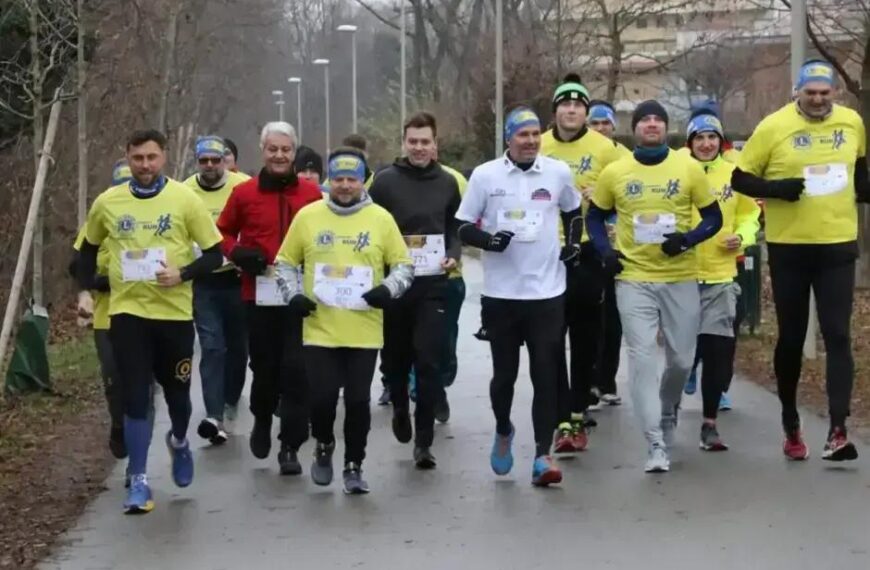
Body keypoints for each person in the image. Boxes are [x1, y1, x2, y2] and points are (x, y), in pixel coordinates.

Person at [78, 129, 224, 514]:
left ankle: (178, 441)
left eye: (152, 158)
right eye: (138, 158)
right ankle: (139, 480)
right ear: (127, 156)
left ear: (163, 157)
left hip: (173, 315)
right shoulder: (108, 202)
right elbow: (86, 252)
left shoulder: (184, 199)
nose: (144, 165)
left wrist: (183, 274)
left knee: (178, 398)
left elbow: (214, 254)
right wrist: (83, 293)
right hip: (128, 315)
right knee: (136, 398)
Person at [731, 60, 869, 461]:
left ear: (835, 94)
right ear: (798, 92)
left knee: (838, 335)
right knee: (792, 338)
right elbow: (740, 179)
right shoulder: (774, 127)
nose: (818, 100)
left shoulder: (852, 123)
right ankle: (791, 418)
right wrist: (777, 188)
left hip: (838, 245)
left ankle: (838, 430)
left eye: (825, 94)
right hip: (789, 248)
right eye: (811, 93)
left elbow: (859, 180)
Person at [587, 100, 722, 473]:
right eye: (644, 120)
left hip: (679, 276)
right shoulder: (616, 171)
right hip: (634, 278)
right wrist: (605, 251)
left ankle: (668, 408)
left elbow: (714, 217)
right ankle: (655, 443)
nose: (651, 125)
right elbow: (595, 216)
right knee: (643, 359)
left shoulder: (688, 167)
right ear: (635, 129)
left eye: (657, 120)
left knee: (680, 359)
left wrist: (687, 239)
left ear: (666, 128)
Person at [274, 148, 413, 494]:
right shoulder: (308, 217)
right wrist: (292, 296)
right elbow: (285, 263)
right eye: (338, 179)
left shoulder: (380, 219)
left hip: (363, 330)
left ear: (363, 180)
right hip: (320, 327)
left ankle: (354, 464)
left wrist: (388, 289)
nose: (345, 186)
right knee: (321, 399)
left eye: (352, 179)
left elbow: (404, 266)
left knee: (356, 401)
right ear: (329, 181)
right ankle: (324, 443)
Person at [456, 106, 582, 486]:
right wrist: (489, 241)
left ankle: (542, 455)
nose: (529, 141)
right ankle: (503, 429)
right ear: (508, 139)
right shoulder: (485, 175)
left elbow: (573, 211)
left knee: (545, 374)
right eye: (521, 135)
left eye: (534, 135)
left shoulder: (558, 172)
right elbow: (462, 227)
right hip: (502, 294)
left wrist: (574, 245)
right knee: (504, 378)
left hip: (547, 292)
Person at [217, 122, 322, 474]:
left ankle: (290, 444)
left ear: (294, 152)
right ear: (262, 151)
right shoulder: (244, 194)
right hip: (257, 294)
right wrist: (238, 253)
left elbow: (326, 233)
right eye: (273, 149)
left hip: (300, 297)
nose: (279, 155)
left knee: (298, 370)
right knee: (265, 369)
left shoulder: (310, 194)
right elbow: (220, 232)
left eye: (286, 150)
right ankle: (262, 418)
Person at [369, 112, 461, 469]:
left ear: (435, 143)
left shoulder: (447, 182)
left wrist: (453, 254)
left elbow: (455, 226)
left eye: (425, 141)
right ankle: (399, 409)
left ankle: (424, 443)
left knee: (427, 361)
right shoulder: (385, 182)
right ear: (404, 142)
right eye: (413, 141)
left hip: (433, 286)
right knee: (395, 360)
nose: (419, 148)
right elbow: (372, 226)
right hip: (395, 287)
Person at [540, 74, 622, 455]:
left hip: (587, 250)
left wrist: (605, 195)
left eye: (578, 105)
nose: (571, 110)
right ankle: (562, 412)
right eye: (564, 104)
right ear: (555, 110)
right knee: (550, 336)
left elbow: (631, 185)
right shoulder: (537, 145)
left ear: (586, 112)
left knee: (585, 335)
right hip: (545, 253)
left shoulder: (606, 148)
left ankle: (577, 404)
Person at [684, 113, 760, 450]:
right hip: (679, 276)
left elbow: (749, 213)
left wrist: (741, 237)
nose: (706, 144)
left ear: (720, 141)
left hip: (720, 274)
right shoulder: (675, 168)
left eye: (712, 137)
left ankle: (709, 423)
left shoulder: (734, 172)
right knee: (680, 355)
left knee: (718, 350)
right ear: (690, 142)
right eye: (699, 138)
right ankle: (669, 416)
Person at [71, 159, 155, 463]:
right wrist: (91, 288)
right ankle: (119, 424)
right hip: (108, 316)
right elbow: (78, 265)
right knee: (114, 381)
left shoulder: (155, 220)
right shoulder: (102, 217)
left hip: (149, 313)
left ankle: (139, 458)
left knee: (143, 385)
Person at [183, 136, 250, 443]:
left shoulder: (243, 186)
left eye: (215, 160)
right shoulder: (184, 191)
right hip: (204, 280)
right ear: (196, 162)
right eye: (203, 161)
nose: (209, 166)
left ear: (225, 160)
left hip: (237, 278)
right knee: (211, 346)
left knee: (238, 348)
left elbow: (255, 225)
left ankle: (230, 401)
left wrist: (247, 255)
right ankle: (214, 416)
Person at [584, 99, 627, 410]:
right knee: (588, 317)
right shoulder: (579, 155)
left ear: (614, 127)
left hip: (618, 245)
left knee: (613, 316)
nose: (600, 129)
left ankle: (607, 380)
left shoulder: (625, 158)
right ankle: (586, 380)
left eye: (605, 123)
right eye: (594, 123)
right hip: (585, 244)